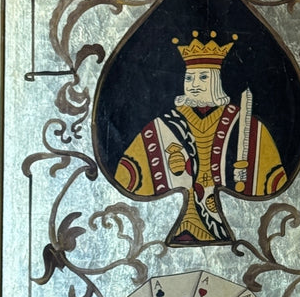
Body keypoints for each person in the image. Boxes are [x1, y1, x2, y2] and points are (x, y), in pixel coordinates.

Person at [114, 31, 286, 245]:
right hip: (181, 225)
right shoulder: (161, 127)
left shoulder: (247, 126)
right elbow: (129, 177)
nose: (194, 84)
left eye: (203, 77)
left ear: (216, 81)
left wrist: (247, 174)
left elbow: (272, 181)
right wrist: (172, 171)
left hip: (230, 226)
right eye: (189, 78)